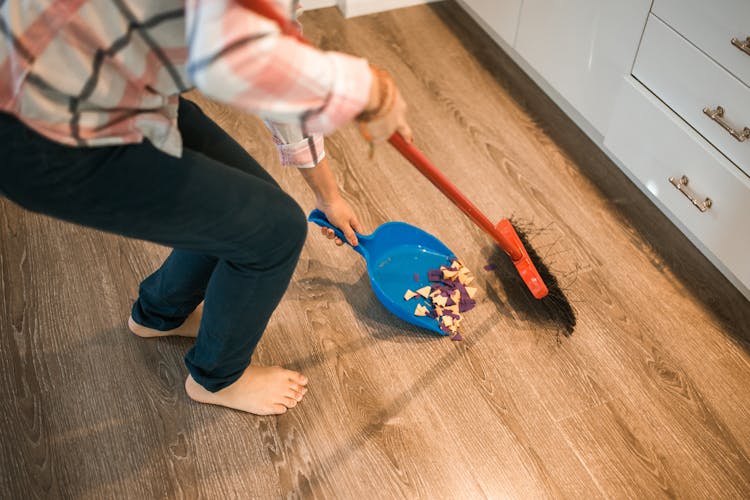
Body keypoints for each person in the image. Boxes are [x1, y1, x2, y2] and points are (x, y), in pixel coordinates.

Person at [0, 0, 412, 415]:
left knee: (251, 202)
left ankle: (160, 313)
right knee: (276, 233)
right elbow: (242, 60)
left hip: (113, 83)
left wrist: (330, 198)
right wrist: (371, 90)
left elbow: (269, 52)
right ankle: (218, 379)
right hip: (49, 135)